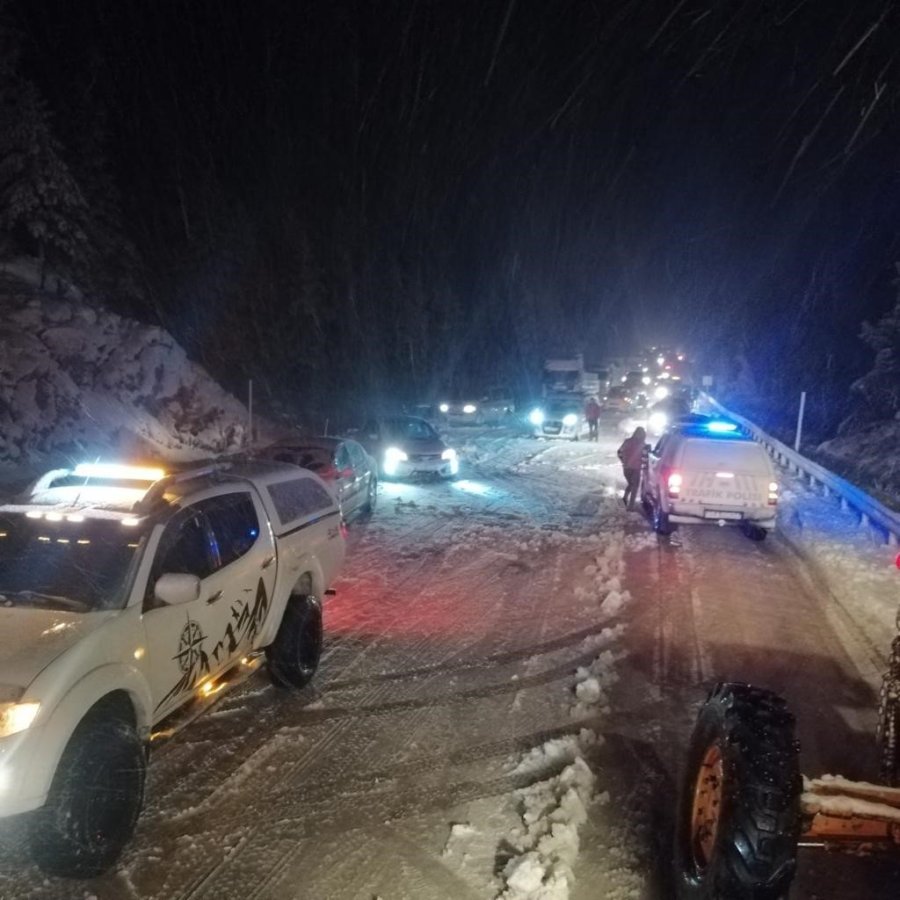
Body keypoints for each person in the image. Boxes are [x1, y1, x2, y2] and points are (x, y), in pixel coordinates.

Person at [617, 426, 646, 510]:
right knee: (635, 486)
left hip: (626, 467)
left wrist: (623, 460)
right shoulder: (643, 444)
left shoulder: (627, 441)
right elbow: (645, 457)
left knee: (631, 484)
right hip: (636, 468)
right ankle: (631, 506)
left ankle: (625, 497)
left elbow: (619, 452)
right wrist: (644, 464)